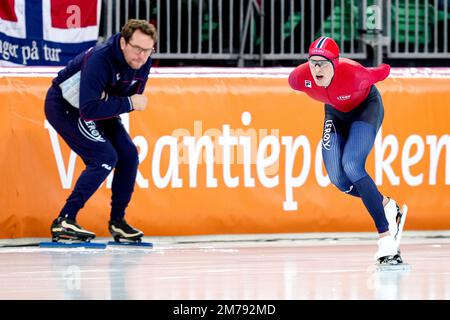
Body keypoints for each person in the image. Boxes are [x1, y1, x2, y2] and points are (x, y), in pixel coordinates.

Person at [288, 36, 408, 265]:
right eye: (313, 62)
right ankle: (387, 206)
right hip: (334, 114)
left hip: (366, 109)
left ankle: (385, 239)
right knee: (339, 179)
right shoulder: (299, 78)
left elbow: (383, 71)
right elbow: (292, 79)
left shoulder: (355, 74)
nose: (317, 68)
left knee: (352, 165)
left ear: (335, 63)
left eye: (323, 63)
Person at [44, 19, 157, 243]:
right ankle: (64, 220)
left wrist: (117, 100)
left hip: (96, 107)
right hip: (65, 105)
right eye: (137, 48)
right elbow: (90, 108)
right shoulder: (100, 58)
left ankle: (118, 222)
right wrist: (125, 102)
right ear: (123, 43)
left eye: (147, 50)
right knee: (104, 157)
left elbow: (124, 100)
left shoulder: (143, 62)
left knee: (129, 155)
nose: (141, 56)